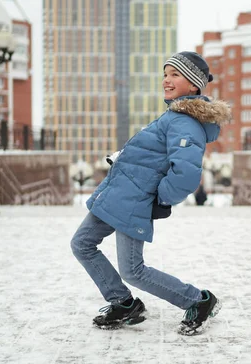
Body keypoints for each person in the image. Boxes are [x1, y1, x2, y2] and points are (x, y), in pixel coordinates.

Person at [70, 51, 231, 335]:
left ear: (193, 85)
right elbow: (152, 155)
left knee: (133, 270)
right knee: (82, 243)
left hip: (134, 201)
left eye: (174, 75)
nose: (166, 80)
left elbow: (186, 171)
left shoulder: (184, 121)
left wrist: (161, 198)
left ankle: (198, 300)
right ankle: (123, 303)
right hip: (119, 195)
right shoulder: (173, 115)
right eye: (165, 74)